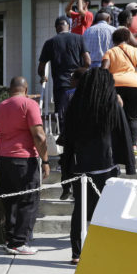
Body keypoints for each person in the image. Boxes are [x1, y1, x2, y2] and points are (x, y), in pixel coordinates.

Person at [61, 69, 136, 264]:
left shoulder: (76, 105)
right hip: (105, 166)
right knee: (106, 210)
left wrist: (65, 170)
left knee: (79, 210)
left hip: (80, 166)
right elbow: (123, 135)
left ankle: (77, 253)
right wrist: (129, 164)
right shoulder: (112, 105)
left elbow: (67, 139)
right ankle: (103, 250)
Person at [0, 76, 48, 256]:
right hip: (23, 160)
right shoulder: (29, 104)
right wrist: (46, 160)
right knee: (28, 201)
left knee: (9, 202)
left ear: (10, 89)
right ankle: (18, 243)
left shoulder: (0, 106)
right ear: (25, 90)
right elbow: (39, 136)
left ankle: (10, 239)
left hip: (2, 159)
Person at [39, 16, 90, 197]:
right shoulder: (78, 38)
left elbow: (42, 66)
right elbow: (88, 61)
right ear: (68, 26)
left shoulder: (50, 42)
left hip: (61, 86)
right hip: (79, 85)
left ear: (56, 28)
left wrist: (42, 77)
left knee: (64, 121)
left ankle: (66, 158)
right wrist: (82, 74)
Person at [102, 27, 137, 151]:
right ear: (128, 39)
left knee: (114, 116)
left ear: (114, 40)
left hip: (115, 86)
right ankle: (133, 146)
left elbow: (104, 69)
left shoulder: (110, 52)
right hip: (134, 85)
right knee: (132, 117)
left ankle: (115, 146)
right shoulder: (135, 51)